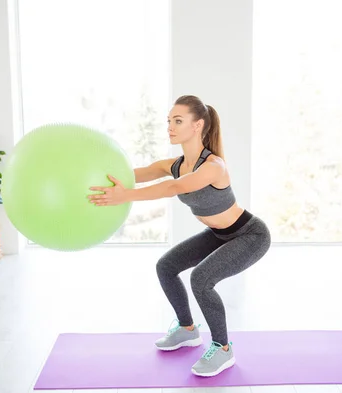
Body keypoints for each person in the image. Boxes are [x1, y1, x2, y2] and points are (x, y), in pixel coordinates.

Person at [88, 95, 271, 377]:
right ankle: (187, 329)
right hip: (218, 233)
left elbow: (174, 187)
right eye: (169, 121)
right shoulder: (175, 163)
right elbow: (135, 174)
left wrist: (126, 196)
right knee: (166, 266)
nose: (170, 127)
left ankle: (223, 349)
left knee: (201, 278)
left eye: (178, 121)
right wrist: (95, 178)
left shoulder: (213, 167)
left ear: (198, 125)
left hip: (249, 235)